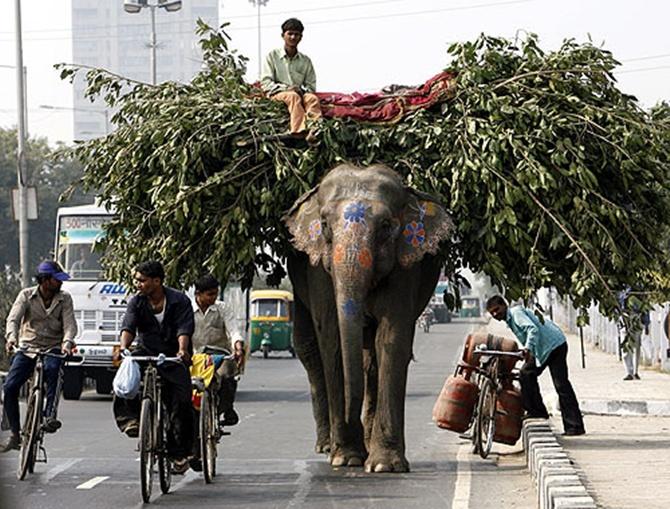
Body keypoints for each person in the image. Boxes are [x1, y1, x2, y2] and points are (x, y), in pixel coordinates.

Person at [112, 261, 195, 474]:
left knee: (182, 401)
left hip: (173, 355)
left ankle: (179, 452)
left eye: (142, 280)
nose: (137, 284)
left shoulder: (179, 300)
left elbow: (184, 329)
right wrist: (123, 348)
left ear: (156, 281)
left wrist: (182, 350)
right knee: (124, 382)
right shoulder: (137, 302)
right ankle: (130, 420)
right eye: (137, 280)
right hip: (146, 351)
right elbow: (128, 325)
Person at [1, 261, 77, 452]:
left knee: (53, 370)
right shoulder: (26, 295)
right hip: (28, 347)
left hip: (53, 347)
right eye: (56, 279)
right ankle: (15, 434)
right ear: (44, 280)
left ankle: (49, 415)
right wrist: (11, 338)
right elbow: (13, 319)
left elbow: (70, 325)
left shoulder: (64, 299)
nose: (60, 283)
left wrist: (67, 343)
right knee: (10, 387)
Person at [486, 295, 585, 436]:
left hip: (554, 345)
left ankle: (574, 426)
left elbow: (532, 330)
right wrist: (526, 350)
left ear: (505, 305)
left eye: (497, 309)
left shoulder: (515, 313)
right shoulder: (511, 319)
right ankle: (538, 411)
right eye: (492, 313)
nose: (496, 314)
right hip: (543, 348)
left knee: (560, 385)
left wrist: (527, 348)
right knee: (526, 374)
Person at [192, 274, 245, 428]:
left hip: (219, 354)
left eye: (215, 293)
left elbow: (233, 330)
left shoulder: (223, 309)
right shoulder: (187, 310)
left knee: (228, 375)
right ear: (198, 294)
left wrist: (238, 347)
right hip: (195, 355)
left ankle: (226, 408)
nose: (213, 297)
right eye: (209, 294)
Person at [260, 18, 321, 141]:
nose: (293, 37)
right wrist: (287, 89)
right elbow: (266, 83)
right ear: (283, 35)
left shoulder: (305, 61)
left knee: (312, 98)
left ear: (301, 37)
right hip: (278, 95)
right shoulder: (272, 56)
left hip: (300, 94)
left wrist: (301, 90)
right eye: (290, 34)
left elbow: (311, 86)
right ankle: (299, 131)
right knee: (292, 96)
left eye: (296, 34)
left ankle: (315, 130)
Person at [617, 289, 650, 381]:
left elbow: (645, 306)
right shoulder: (620, 288)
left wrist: (646, 323)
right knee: (625, 346)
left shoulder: (639, 287)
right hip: (624, 318)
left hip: (637, 318)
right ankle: (629, 372)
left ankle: (635, 372)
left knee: (636, 346)